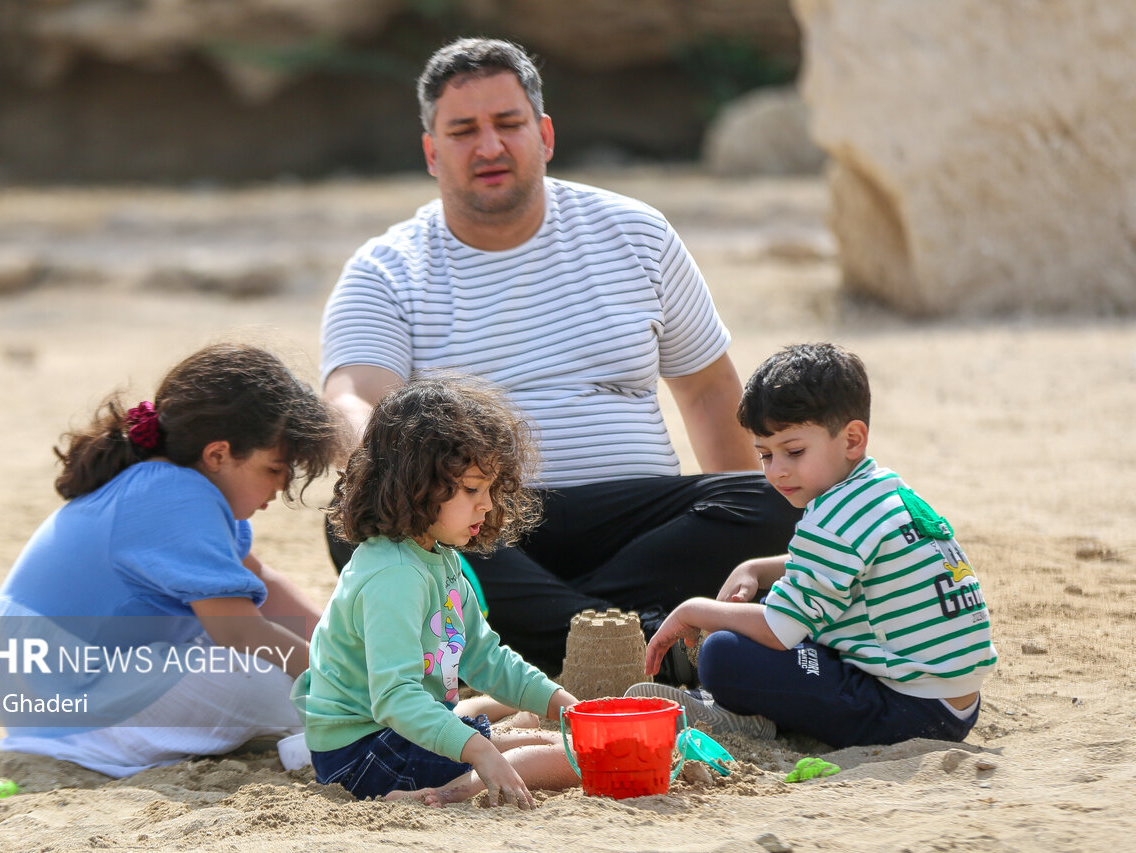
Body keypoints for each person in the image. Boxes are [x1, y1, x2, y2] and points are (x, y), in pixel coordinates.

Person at [319, 36, 800, 678]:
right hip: (478, 526)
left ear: (544, 134)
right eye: (463, 131)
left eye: (508, 123)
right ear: (432, 152)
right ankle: (636, 646)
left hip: (637, 526)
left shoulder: (637, 233)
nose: (489, 146)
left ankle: (558, 642)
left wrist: (747, 544)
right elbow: (353, 396)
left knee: (777, 501)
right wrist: (387, 465)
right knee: (357, 519)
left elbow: (710, 391)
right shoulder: (385, 269)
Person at [0, 343, 343, 777]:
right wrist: (344, 682)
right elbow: (239, 631)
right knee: (270, 681)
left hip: (64, 689)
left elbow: (263, 585)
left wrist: (344, 651)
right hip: (69, 705)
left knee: (281, 666)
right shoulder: (176, 496)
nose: (281, 485)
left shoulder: (172, 485)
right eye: (274, 469)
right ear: (218, 454)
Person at [626, 343, 998, 748]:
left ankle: (748, 718)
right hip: (954, 701)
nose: (777, 472)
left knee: (723, 654)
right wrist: (756, 568)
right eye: (765, 455)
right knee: (769, 603)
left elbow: (778, 631)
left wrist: (693, 610)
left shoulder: (833, 518)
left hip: (909, 710)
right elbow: (838, 564)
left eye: (794, 452)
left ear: (852, 439)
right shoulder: (879, 489)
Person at [295, 377, 581, 807]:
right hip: (363, 754)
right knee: (569, 756)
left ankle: (481, 753)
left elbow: (484, 657)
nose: (487, 504)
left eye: (490, 489)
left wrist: (567, 707)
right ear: (417, 485)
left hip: (393, 734)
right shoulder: (394, 574)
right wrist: (481, 751)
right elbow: (395, 697)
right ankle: (452, 793)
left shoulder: (437, 557)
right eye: (472, 489)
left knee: (530, 730)